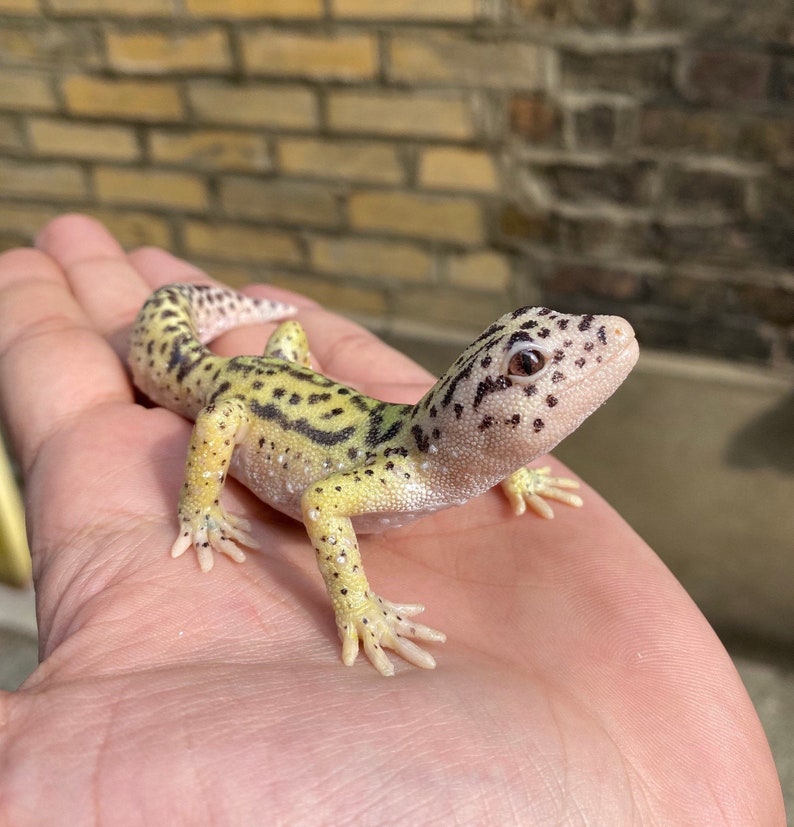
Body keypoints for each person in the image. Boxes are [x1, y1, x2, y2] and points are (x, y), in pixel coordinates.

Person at [0, 215, 784, 824]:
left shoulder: (468, 455)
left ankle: (260, 341)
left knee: (285, 350)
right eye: (531, 364)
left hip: (288, 376)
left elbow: (499, 446)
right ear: (481, 414)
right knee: (238, 397)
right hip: (228, 389)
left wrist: (517, 477)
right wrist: (350, 599)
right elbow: (322, 501)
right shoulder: (406, 473)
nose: (604, 335)